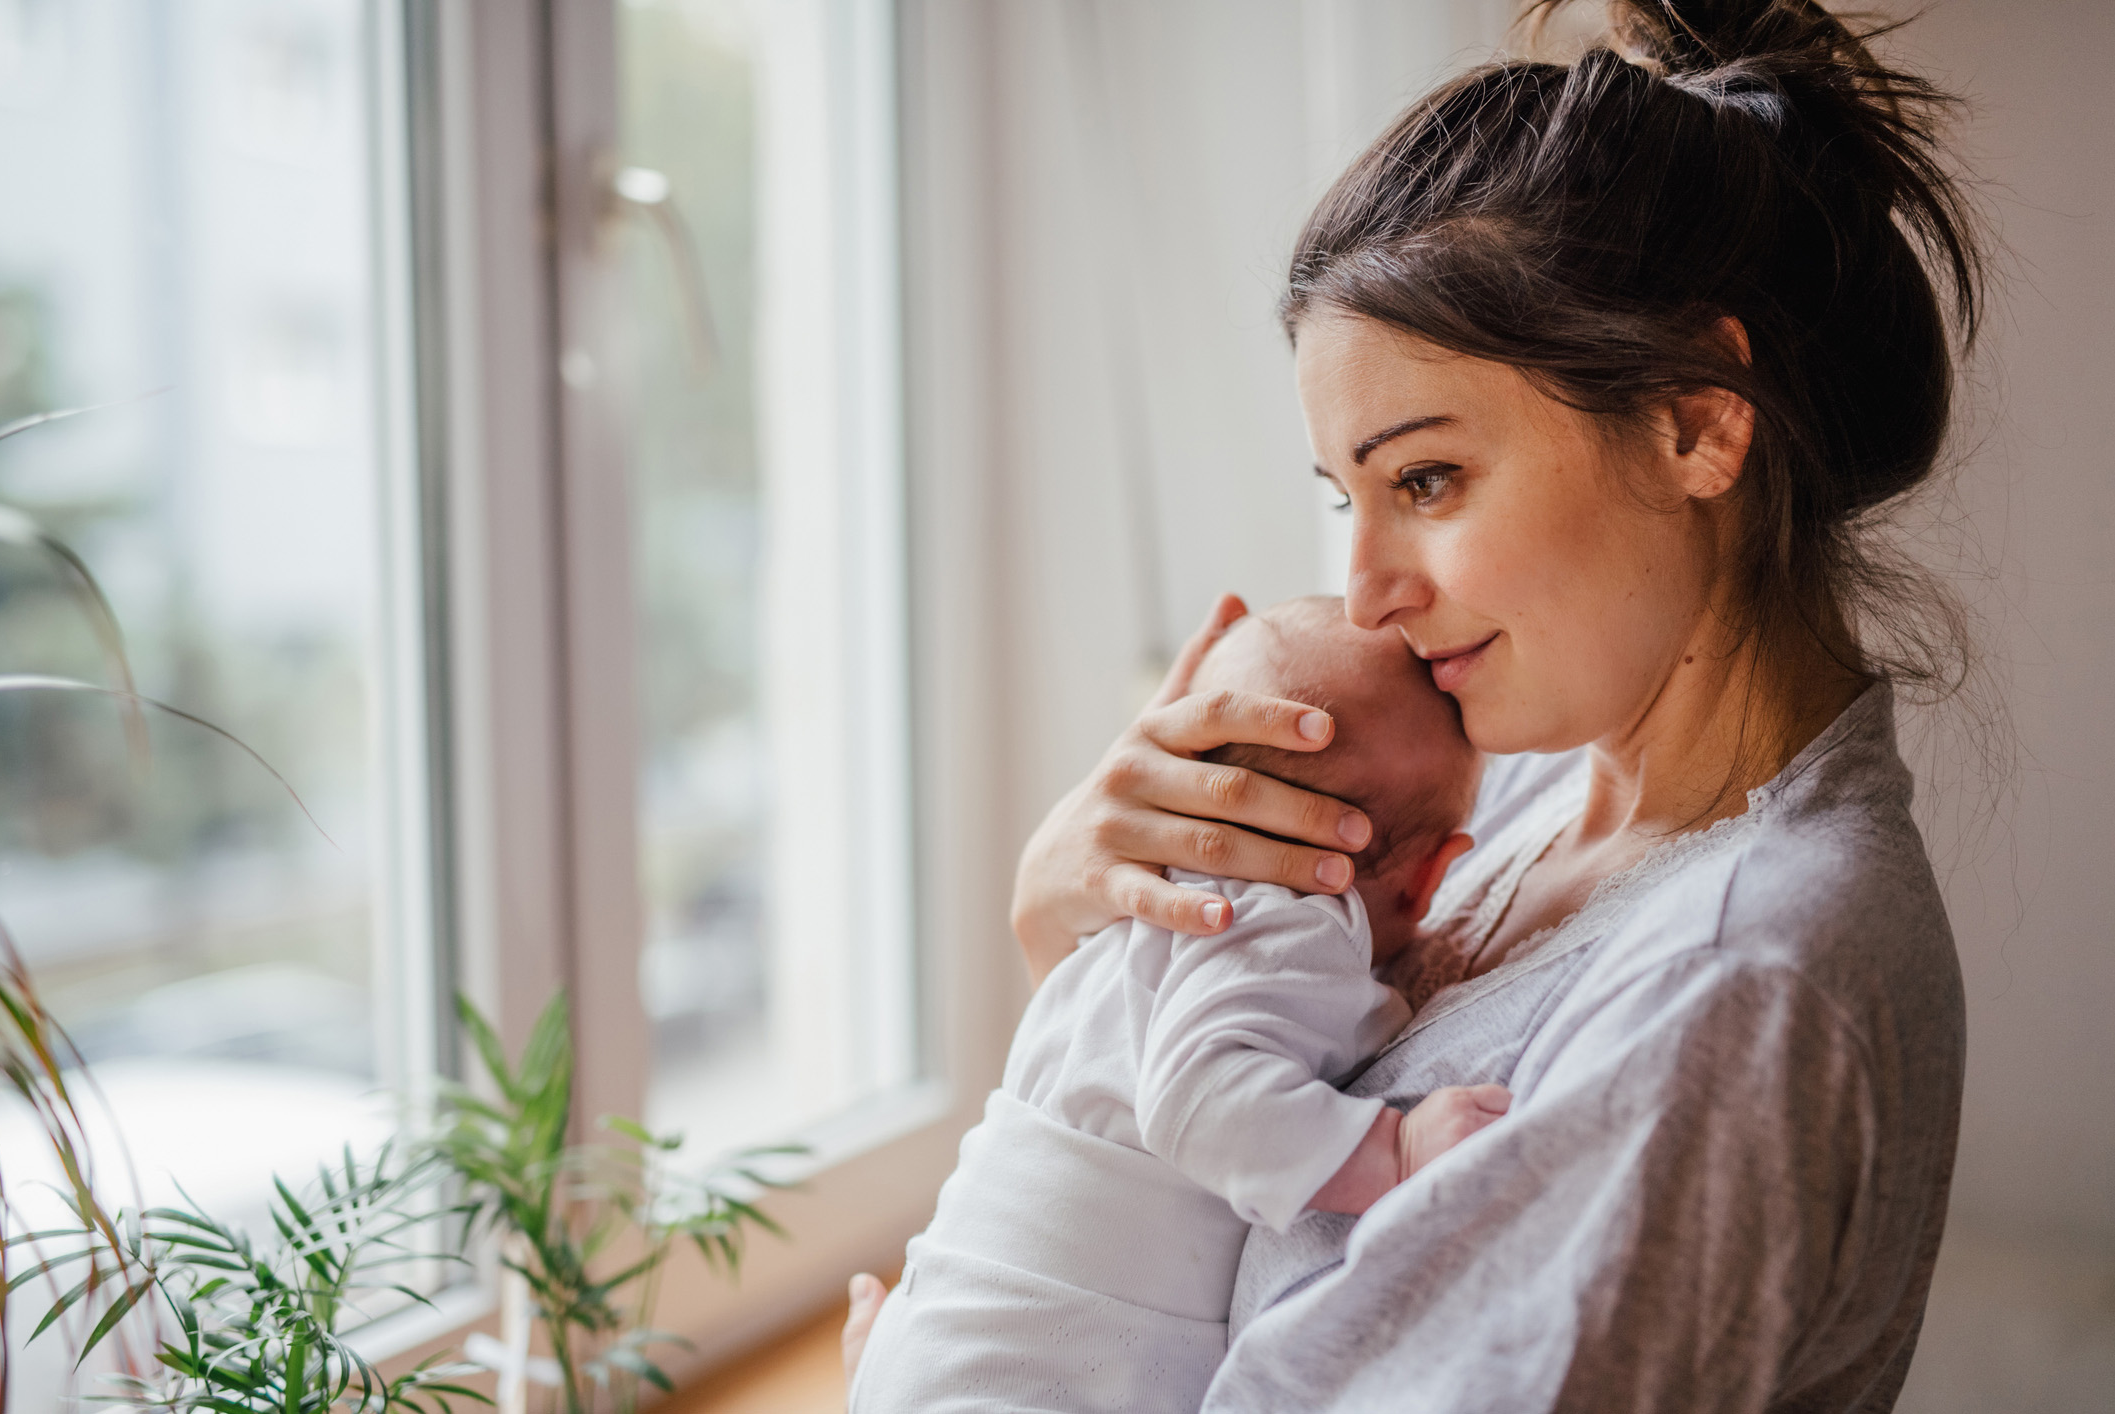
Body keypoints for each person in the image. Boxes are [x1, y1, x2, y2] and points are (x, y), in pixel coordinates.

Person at [848, 0, 1979, 1407]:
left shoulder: (1744, 973)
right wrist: (1068, 925)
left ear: (1697, 420)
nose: (1367, 588)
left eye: (1427, 480)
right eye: (1348, 498)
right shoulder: (1512, 789)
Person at [851, 598, 1506, 1414]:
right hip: (1043, 1366)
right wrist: (1396, 1150)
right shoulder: (1295, 914)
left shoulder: (1137, 894)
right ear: (1429, 875)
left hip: (952, 1318)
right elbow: (1195, 1101)